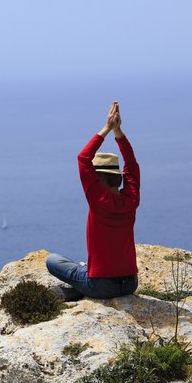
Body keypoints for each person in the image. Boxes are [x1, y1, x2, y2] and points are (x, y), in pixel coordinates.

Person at [46, 101, 140, 299]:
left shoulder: (98, 199)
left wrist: (107, 128)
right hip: (131, 283)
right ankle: (82, 286)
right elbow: (131, 164)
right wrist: (119, 132)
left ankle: (78, 291)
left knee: (53, 260)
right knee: (84, 268)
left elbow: (83, 158)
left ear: (98, 178)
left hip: (102, 285)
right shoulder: (131, 200)